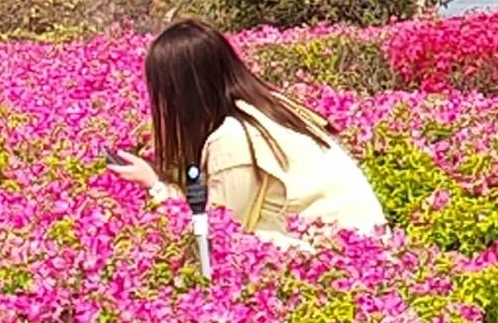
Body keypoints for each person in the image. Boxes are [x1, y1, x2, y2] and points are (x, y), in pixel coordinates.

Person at [123, 20, 392, 252]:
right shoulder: (265, 107)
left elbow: (219, 228)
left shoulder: (232, 139)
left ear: (183, 93)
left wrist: (155, 184)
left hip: (342, 256)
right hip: (365, 243)